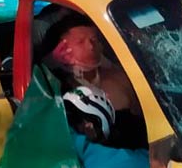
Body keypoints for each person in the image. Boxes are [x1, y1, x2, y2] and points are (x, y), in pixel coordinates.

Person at [42, 17, 144, 148]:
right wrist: (51, 61)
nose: (91, 46)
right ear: (61, 50)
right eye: (80, 42)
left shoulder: (119, 77)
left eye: (94, 40)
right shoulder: (55, 88)